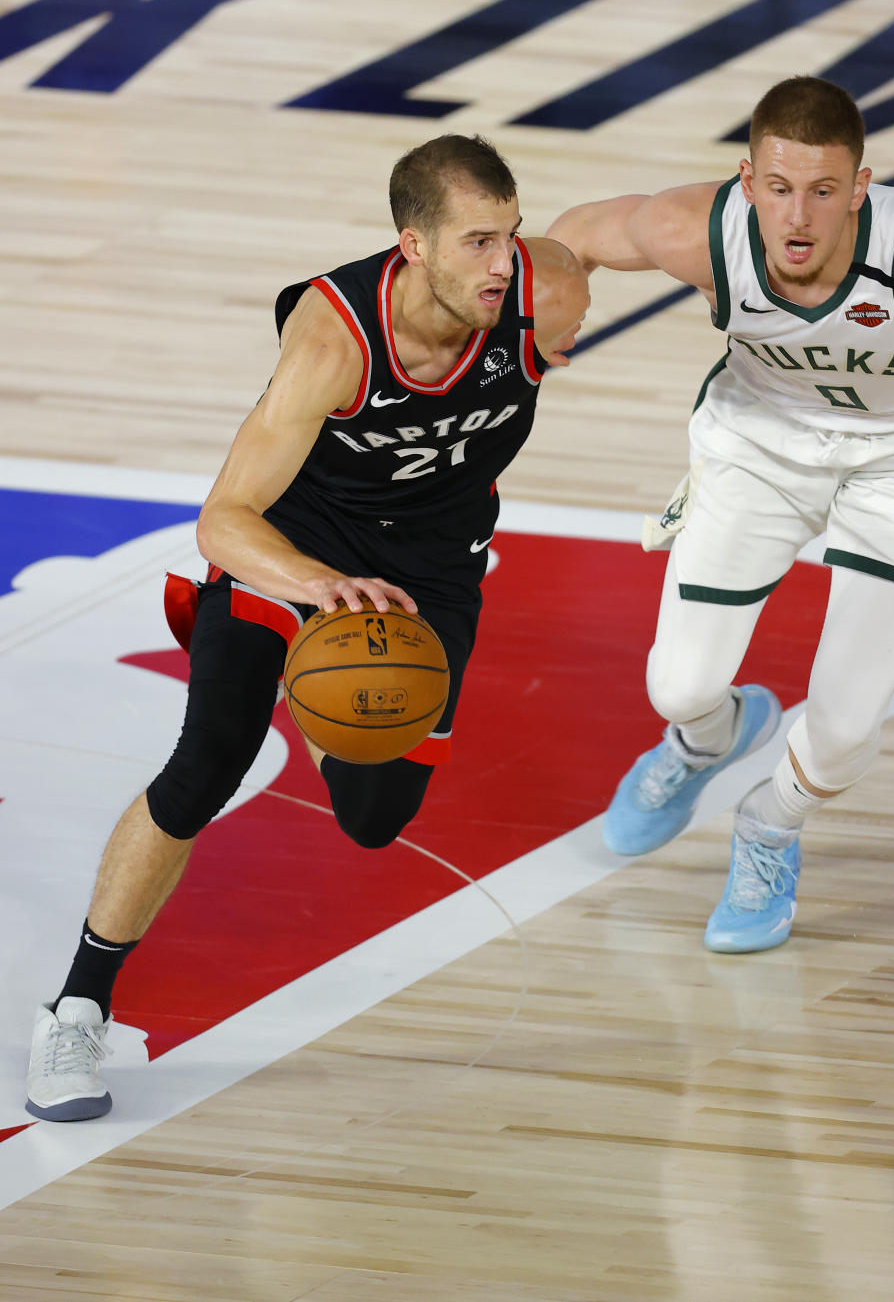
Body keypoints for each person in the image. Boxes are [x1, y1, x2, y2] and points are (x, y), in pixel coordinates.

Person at [26, 134, 589, 1121]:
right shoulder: (334, 344)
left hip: (432, 566)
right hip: (294, 545)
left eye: (508, 235)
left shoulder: (547, 290)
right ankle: (78, 1003)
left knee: (376, 819)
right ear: (410, 244)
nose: (503, 263)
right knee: (208, 759)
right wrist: (322, 588)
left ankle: (305, 670)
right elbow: (223, 517)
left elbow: (632, 230)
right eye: (475, 243)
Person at [548, 76, 894, 954]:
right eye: (778, 188)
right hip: (758, 444)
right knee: (679, 688)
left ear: (862, 186)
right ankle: (707, 741)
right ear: (746, 181)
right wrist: (545, 319)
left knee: (848, 729)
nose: (798, 216)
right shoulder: (693, 230)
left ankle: (768, 827)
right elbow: (575, 236)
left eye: (823, 191)